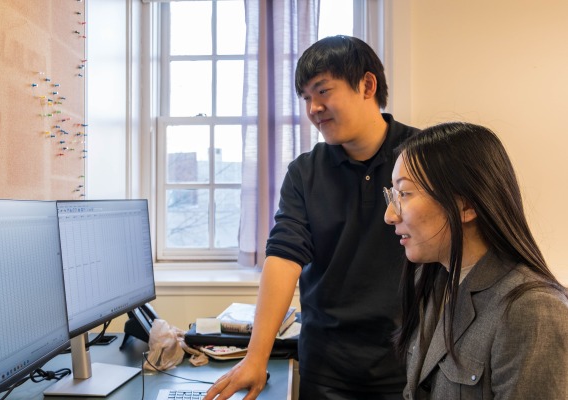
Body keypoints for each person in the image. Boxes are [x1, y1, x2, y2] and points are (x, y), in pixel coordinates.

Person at [204, 35, 419, 400]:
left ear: (367, 85)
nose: (313, 108)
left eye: (323, 92)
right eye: (305, 98)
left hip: (410, 362)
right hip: (327, 367)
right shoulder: (305, 172)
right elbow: (284, 258)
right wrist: (256, 358)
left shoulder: (421, 156)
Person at [383, 122, 568, 399]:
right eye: (393, 195)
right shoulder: (434, 279)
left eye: (404, 194)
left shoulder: (533, 310)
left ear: (466, 205)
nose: (390, 215)